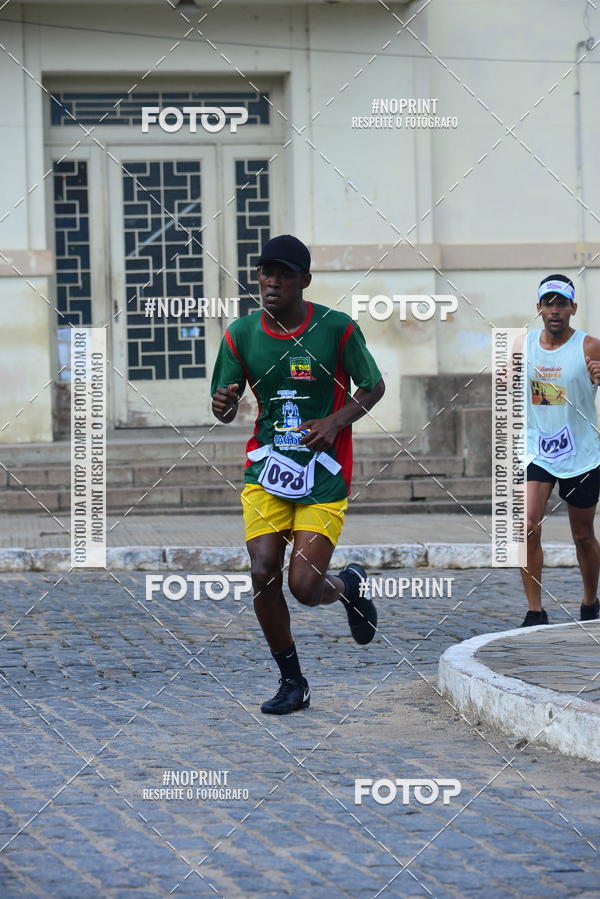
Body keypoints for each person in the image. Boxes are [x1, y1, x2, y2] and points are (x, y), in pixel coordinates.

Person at [211, 234, 385, 713]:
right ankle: (293, 681)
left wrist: (334, 422)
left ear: (304, 280)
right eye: (266, 273)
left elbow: (373, 386)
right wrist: (223, 405)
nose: (273, 282)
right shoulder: (240, 334)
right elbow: (224, 406)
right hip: (267, 469)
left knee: (305, 587)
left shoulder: (337, 329)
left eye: (285, 274)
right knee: (263, 571)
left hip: (322, 475)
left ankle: (348, 587)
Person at [521, 273, 600, 626]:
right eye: (549, 304)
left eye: (562, 304)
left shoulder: (590, 346)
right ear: (538, 308)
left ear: (573, 308)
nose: (555, 310)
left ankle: (590, 601)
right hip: (537, 450)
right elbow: (511, 387)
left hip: (581, 454)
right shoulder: (523, 346)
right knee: (527, 525)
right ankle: (535, 611)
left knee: (583, 536)